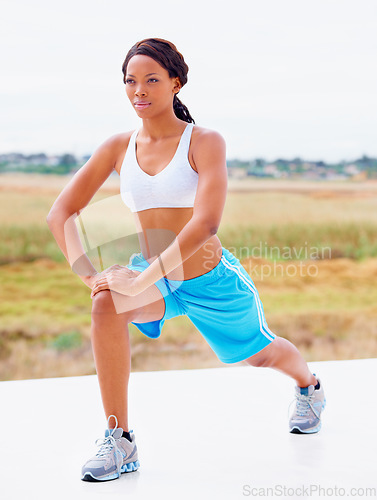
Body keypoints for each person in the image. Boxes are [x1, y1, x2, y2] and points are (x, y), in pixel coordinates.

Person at [46, 38, 326, 483]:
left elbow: (205, 225)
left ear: (176, 83)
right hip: (154, 278)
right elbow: (60, 213)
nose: (140, 90)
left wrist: (138, 283)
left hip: (210, 278)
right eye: (130, 81)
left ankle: (309, 386)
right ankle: (120, 439)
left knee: (261, 356)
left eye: (152, 80)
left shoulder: (205, 141)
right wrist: (93, 278)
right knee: (104, 305)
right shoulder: (118, 146)